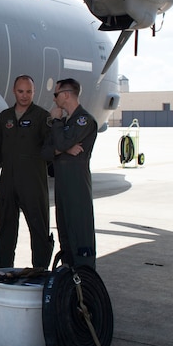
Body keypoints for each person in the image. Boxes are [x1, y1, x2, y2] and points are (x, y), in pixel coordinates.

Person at [0, 75, 53, 268]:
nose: (24, 96)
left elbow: (51, 146)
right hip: (8, 181)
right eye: (21, 91)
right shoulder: (4, 117)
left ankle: (40, 271)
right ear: (14, 92)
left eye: (29, 92)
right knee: (5, 227)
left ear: (34, 92)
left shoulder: (42, 117)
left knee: (38, 227)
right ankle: (2, 270)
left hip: (33, 182)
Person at [42, 78, 97, 266]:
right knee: (64, 234)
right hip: (62, 187)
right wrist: (64, 148)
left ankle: (85, 279)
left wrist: (56, 123)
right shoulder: (64, 124)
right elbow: (46, 150)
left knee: (80, 234)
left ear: (66, 94)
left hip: (77, 187)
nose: (54, 99)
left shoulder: (84, 120)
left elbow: (61, 142)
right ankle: (69, 278)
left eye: (56, 94)